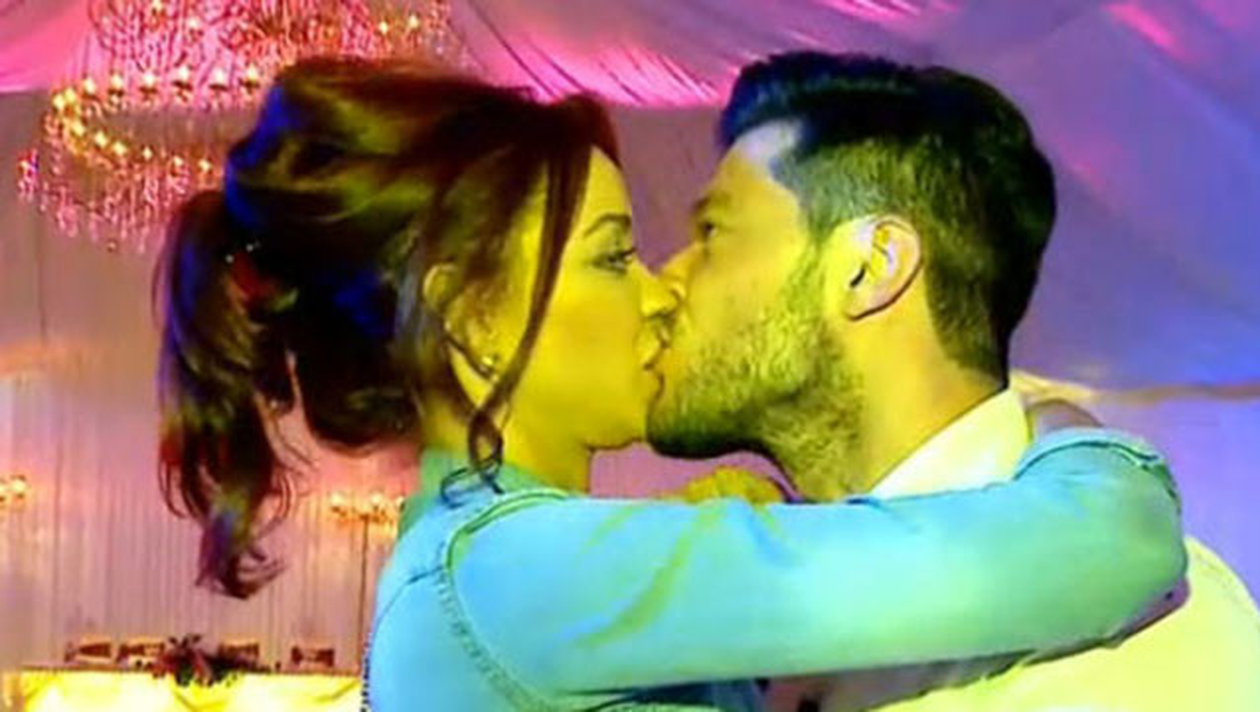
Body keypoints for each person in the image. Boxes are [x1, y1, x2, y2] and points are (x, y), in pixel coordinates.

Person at [155, 58, 1184, 711]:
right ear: (471, 317)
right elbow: (1111, 549)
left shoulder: (494, 567)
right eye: (613, 256)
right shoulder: (517, 571)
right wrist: (1066, 424)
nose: (659, 293)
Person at [646, 51, 1260, 710]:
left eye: (713, 231)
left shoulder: (1136, 633)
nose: (664, 283)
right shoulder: (779, 597)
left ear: (870, 267)